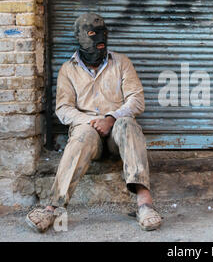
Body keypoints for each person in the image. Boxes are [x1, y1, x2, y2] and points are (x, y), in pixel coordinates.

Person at [25, 13, 161, 232]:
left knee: (128, 124)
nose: (100, 39)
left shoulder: (122, 63)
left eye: (104, 34)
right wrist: (93, 122)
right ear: (79, 37)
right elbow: (63, 109)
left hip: (117, 135)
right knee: (82, 135)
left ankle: (145, 205)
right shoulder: (68, 69)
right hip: (89, 133)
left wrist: (111, 118)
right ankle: (52, 208)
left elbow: (137, 100)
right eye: (92, 34)